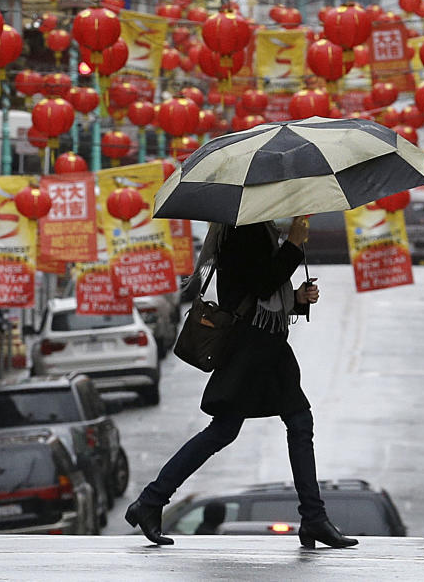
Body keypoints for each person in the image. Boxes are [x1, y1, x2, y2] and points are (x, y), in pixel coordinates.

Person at [125, 216, 357, 549]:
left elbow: (264, 288)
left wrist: (296, 297)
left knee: (295, 422)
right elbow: (261, 286)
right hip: (251, 348)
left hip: (268, 344)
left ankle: (314, 517)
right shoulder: (242, 231)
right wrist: (292, 244)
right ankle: (151, 500)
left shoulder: (256, 229)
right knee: (227, 429)